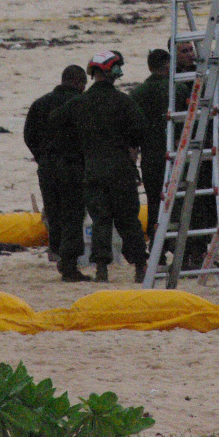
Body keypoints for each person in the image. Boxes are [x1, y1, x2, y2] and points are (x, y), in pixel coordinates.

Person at [52, 50, 148, 282]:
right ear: (111, 71)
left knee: (100, 220)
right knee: (128, 219)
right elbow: (141, 130)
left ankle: (102, 269)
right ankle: (140, 267)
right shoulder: (124, 102)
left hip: (93, 169)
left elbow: (55, 120)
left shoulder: (79, 103)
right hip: (121, 169)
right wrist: (129, 144)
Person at [23, 65, 86, 270]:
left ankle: (56, 250)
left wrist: (41, 156)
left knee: (53, 209)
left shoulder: (40, 103)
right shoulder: (80, 104)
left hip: (47, 165)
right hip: (72, 164)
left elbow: (28, 135)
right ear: (78, 83)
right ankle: (69, 260)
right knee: (73, 212)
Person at [126, 49, 173, 242]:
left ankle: (157, 251)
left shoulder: (137, 94)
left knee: (154, 203)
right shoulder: (178, 89)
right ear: (169, 64)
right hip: (176, 155)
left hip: (151, 158)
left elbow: (131, 133)